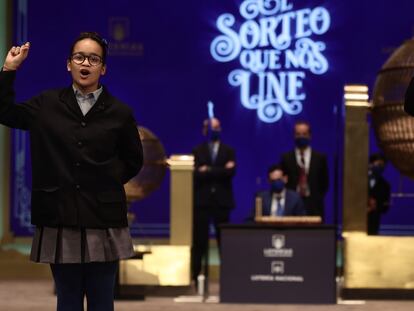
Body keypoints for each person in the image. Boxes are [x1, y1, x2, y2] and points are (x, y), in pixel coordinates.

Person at [0, 32, 143, 311]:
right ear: (69, 64)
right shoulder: (47, 104)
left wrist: (106, 181)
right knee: (67, 301)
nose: (85, 63)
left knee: (102, 301)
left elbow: (133, 160)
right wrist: (9, 70)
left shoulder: (119, 112)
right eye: (79, 57)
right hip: (59, 214)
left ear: (103, 68)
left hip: (103, 218)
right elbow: (4, 112)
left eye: (93, 58)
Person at [191, 117, 236, 284]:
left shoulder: (228, 151)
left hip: (222, 202)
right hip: (202, 202)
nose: (214, 131)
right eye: (211, 128)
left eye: (217, 127)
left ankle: (229, 279)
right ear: (205, 130)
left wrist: (207, 170)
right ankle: (195, 277)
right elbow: (196, 173)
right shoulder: (198, 150)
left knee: (223, 241)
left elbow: (230, 173)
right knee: (199, 242)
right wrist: (221, 170)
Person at [280, 121, 329, 220]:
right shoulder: (286, 158)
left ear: (310, 135)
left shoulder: (320, 158)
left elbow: (324, 182)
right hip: (292, 204)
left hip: (314, 205)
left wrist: (317, 197)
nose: (301, 136)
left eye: (304, 134)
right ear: (294, 136)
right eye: (298, 134)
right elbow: (284, 181)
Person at [367, 153, 391, 235]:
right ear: (370, 164)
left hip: (374, 223)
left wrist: (376, 206)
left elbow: (385, 207)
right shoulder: (359, 181)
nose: (381, 168)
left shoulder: (385, 185)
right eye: (378, 164)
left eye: (383, 166)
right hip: (356, 222)